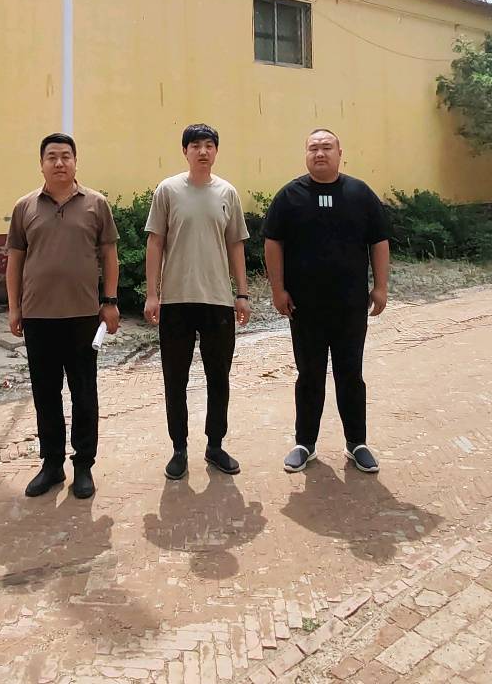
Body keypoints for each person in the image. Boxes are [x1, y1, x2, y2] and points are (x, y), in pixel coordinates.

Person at [263, 129, 390, 476]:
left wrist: (380, 287)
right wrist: (278, 290)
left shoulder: (360, 194)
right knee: (309, 375)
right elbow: (273, 243)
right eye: (313, 148)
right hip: (304, 307)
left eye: (326, 147)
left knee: (351, 374)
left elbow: (379, 241)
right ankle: (305, 443)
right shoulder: (290, 196)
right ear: (306, 154)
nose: (320, 153)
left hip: (350, 305)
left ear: (339, 153)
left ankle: (356, 443)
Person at [6, 133, 120, 500]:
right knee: (45, 394)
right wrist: (14, 307)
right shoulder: (25, 207)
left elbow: (109, 255)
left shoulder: (96, 204)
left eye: (65, 156)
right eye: (52, 157)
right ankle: (52, 465)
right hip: (38, 317)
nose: (59, 163)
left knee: (84, 394)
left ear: (75, 161)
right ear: (41, 164)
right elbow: (15, 261)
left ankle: (83, 465)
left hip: (83, 316)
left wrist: (110, 301)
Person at [144, 124, 251, 480]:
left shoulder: (227, 193)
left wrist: (242, 294)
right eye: (195, 146)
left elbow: (236, 244)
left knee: (218, 377)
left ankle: (215, 445)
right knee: (175, 379)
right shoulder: (168, 190)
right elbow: (155, 242)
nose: (202, 151)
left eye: (208, 145)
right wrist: (153, 294)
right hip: (176, 300)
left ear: (216, 151)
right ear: (185, 151)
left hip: (218, 301)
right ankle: (179, 448)